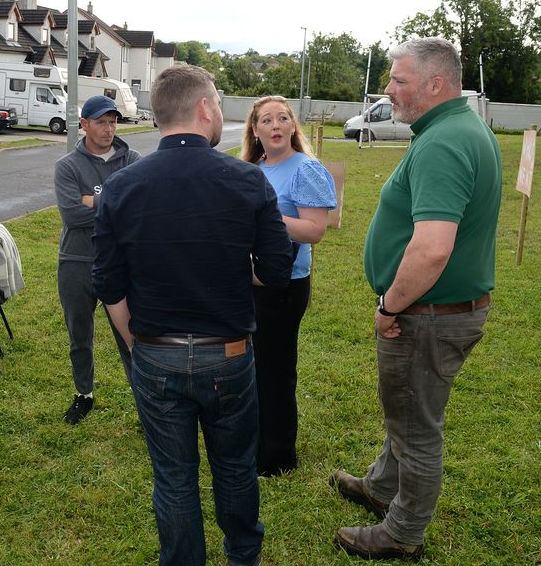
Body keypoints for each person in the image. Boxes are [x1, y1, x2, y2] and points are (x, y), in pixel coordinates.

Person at [93, 64, 293, 566]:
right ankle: (243, 556)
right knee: (234, 468)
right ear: (204, 108)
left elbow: (108, 282)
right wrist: (226, 264)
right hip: (226, 354)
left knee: (174, 477)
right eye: (219, 104)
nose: (221, 112)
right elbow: (275, 269)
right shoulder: (247, 180)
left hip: (155, 354)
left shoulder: (120, 186)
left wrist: (136, 344)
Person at [331, 38, 502, 560]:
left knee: (415, 427)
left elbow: (431, 249)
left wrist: (390, 306)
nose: (388, 89)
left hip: (426, 314)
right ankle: (383, 486)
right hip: (441, 311)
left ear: (435, 84)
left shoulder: (444, 142)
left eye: (399, 80)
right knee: (406, 409)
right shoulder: (460, 129)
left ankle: (403, 531)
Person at [240, 96, 336, 476]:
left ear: (294, 127)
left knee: (275, 370)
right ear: (256, 130)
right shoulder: (252, 168)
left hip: (283, 285)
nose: (276, 125)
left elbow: (315, 231)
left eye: (283, 118)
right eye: (267, 119)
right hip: (247, 281)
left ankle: (277, 457)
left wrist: (267, 218)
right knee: (251, 367)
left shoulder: (305, 169)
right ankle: (254, 441)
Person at [54, 95, 140, 425]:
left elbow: (137, 209)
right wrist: (114, 203)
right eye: (101, 122)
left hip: (121, 262)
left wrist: (94, 199)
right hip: (76, 260)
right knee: (79, 334)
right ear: (84, 124)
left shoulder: (132, 159)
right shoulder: (67, 166)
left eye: (113, 122)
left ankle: (145, 401)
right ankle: (84, 394)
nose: (108, 129)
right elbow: (72, 215)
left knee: (131, 336)